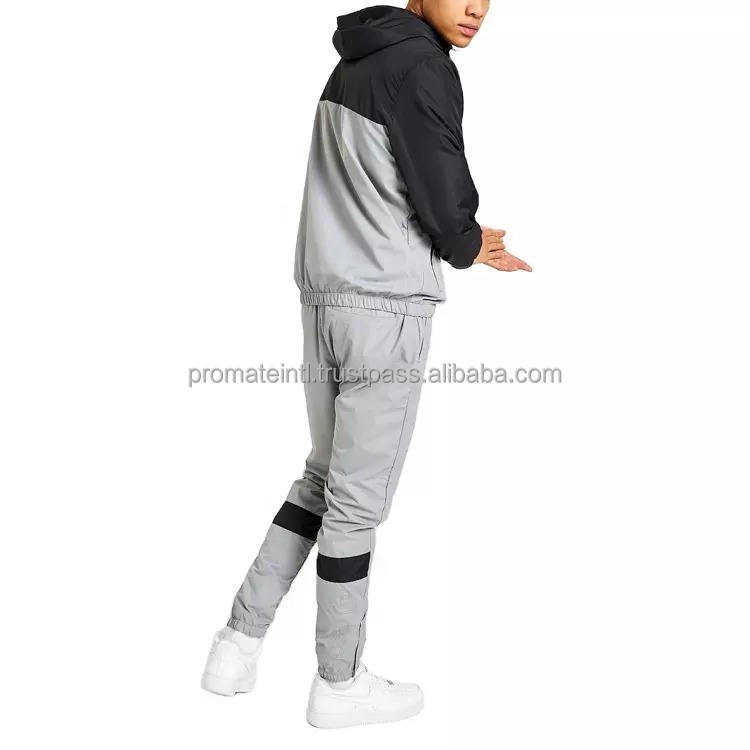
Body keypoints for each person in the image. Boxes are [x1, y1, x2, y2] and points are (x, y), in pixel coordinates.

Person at [201, 1, 531, 728]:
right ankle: (340, 683)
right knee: (355, 504)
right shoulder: (424, 66)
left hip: (323, 300)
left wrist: (463, 236)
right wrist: (468, 241)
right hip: (385, 308)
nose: (478, 8)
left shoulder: (352, 60)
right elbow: (441, 194)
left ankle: (237, 644)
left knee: (322, 479)